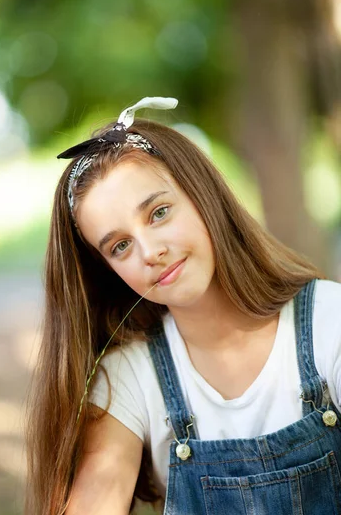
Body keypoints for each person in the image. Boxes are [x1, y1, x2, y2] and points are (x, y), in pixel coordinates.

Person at [25, 97, 341, 515]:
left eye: (158, 213)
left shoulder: (328, 321)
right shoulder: (129, 379)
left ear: (202, 195)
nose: (150, 251)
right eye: (120, 246)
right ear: (108, 271)